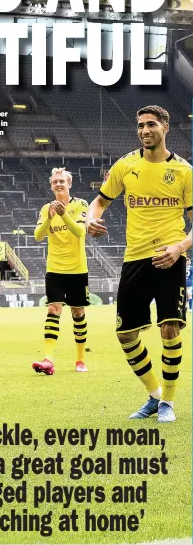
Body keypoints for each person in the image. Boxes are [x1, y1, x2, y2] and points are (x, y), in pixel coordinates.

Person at [87, 104, 192, 422]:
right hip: (134, 258)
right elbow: (100, 201)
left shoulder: (185, 172)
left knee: (169, 329)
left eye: (151, 124)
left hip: (170, 258)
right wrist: (92, 218)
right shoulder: (125, 166)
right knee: (125, 335)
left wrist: (179, 247)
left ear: (165, 127)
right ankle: (154, 394)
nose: (145, 130)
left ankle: (168, 403)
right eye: (140, 126)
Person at [32, 168, 90, 375]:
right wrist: (48, 218)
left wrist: (63, 214)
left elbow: (80, 232)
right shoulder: (45, 208)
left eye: (62, 181)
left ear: (69, 184)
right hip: (55, 268)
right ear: (51, 186)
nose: (58, 184)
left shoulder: (81, 205)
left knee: (78, 313)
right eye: (55, 181)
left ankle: (80, 359)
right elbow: (38, 236)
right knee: (53, 310)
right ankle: (48, 358)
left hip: (77, 269)